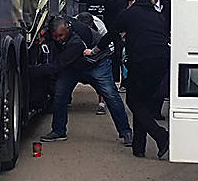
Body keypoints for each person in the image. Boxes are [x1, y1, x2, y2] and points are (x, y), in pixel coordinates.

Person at [31, 15, 132, 144]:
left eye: (61, 36)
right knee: (60, 95)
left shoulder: (77, 41)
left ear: (68, 28)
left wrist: (31, 71)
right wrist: (43, 38)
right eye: (55, 37)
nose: (58, 39)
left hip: (96, 64)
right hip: (73, 65)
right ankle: (58, 131)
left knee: (111, 95)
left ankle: (126, 132)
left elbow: (58, 66)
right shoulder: (57, 27)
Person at [114, 0, 170, 158]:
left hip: (142, 61)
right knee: (142, 103)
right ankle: (138, 148)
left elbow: (113, 30)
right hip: (162, 61)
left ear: (133, 0)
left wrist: (95, 50)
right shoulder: (157, 15)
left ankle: (161, 135)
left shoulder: (131, 13)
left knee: (133, 102)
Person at [103, 0, 140, 87]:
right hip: (119, 33)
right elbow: (110, 11)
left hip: (134, 33)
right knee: (117, 56)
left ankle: (128, 81)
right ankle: (115, 81)